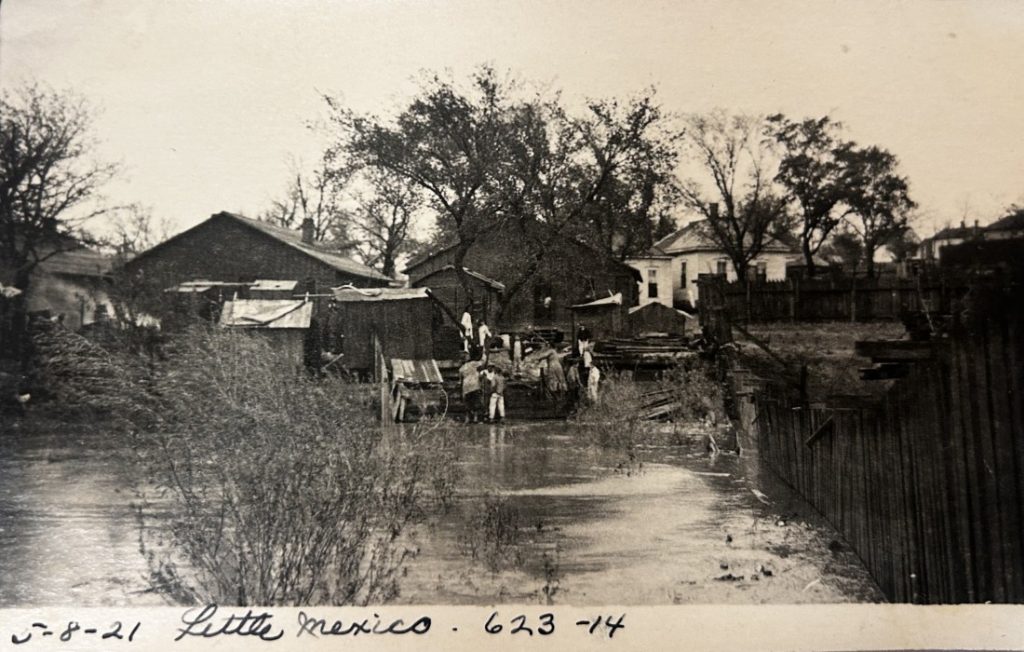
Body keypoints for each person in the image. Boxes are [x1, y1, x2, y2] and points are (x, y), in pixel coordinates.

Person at [459, 351, 486, 423]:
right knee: (476, 402)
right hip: (474, 385)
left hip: (466, 387)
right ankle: (475, 417)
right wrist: (484, 353)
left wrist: (462, 391)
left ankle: (467, 418)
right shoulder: (473, 364)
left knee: (467, 403)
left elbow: (460, 381)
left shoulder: (461, 369)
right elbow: (483, 362)